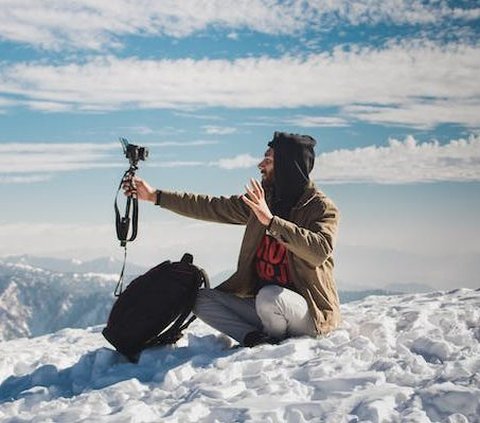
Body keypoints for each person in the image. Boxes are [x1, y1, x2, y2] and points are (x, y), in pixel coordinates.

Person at [124, 131, 340, 347]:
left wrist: (271, 222)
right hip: (266, 310)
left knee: (270, 297)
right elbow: (210, 206)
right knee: (198, 298)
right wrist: (155, 196)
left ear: (287, 166)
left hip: (307, 315)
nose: (260, 165)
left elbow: (319, 250)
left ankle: (275, 344)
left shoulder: (320, 208)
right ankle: (254, 339)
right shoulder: (264, 200)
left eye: (268, 160)